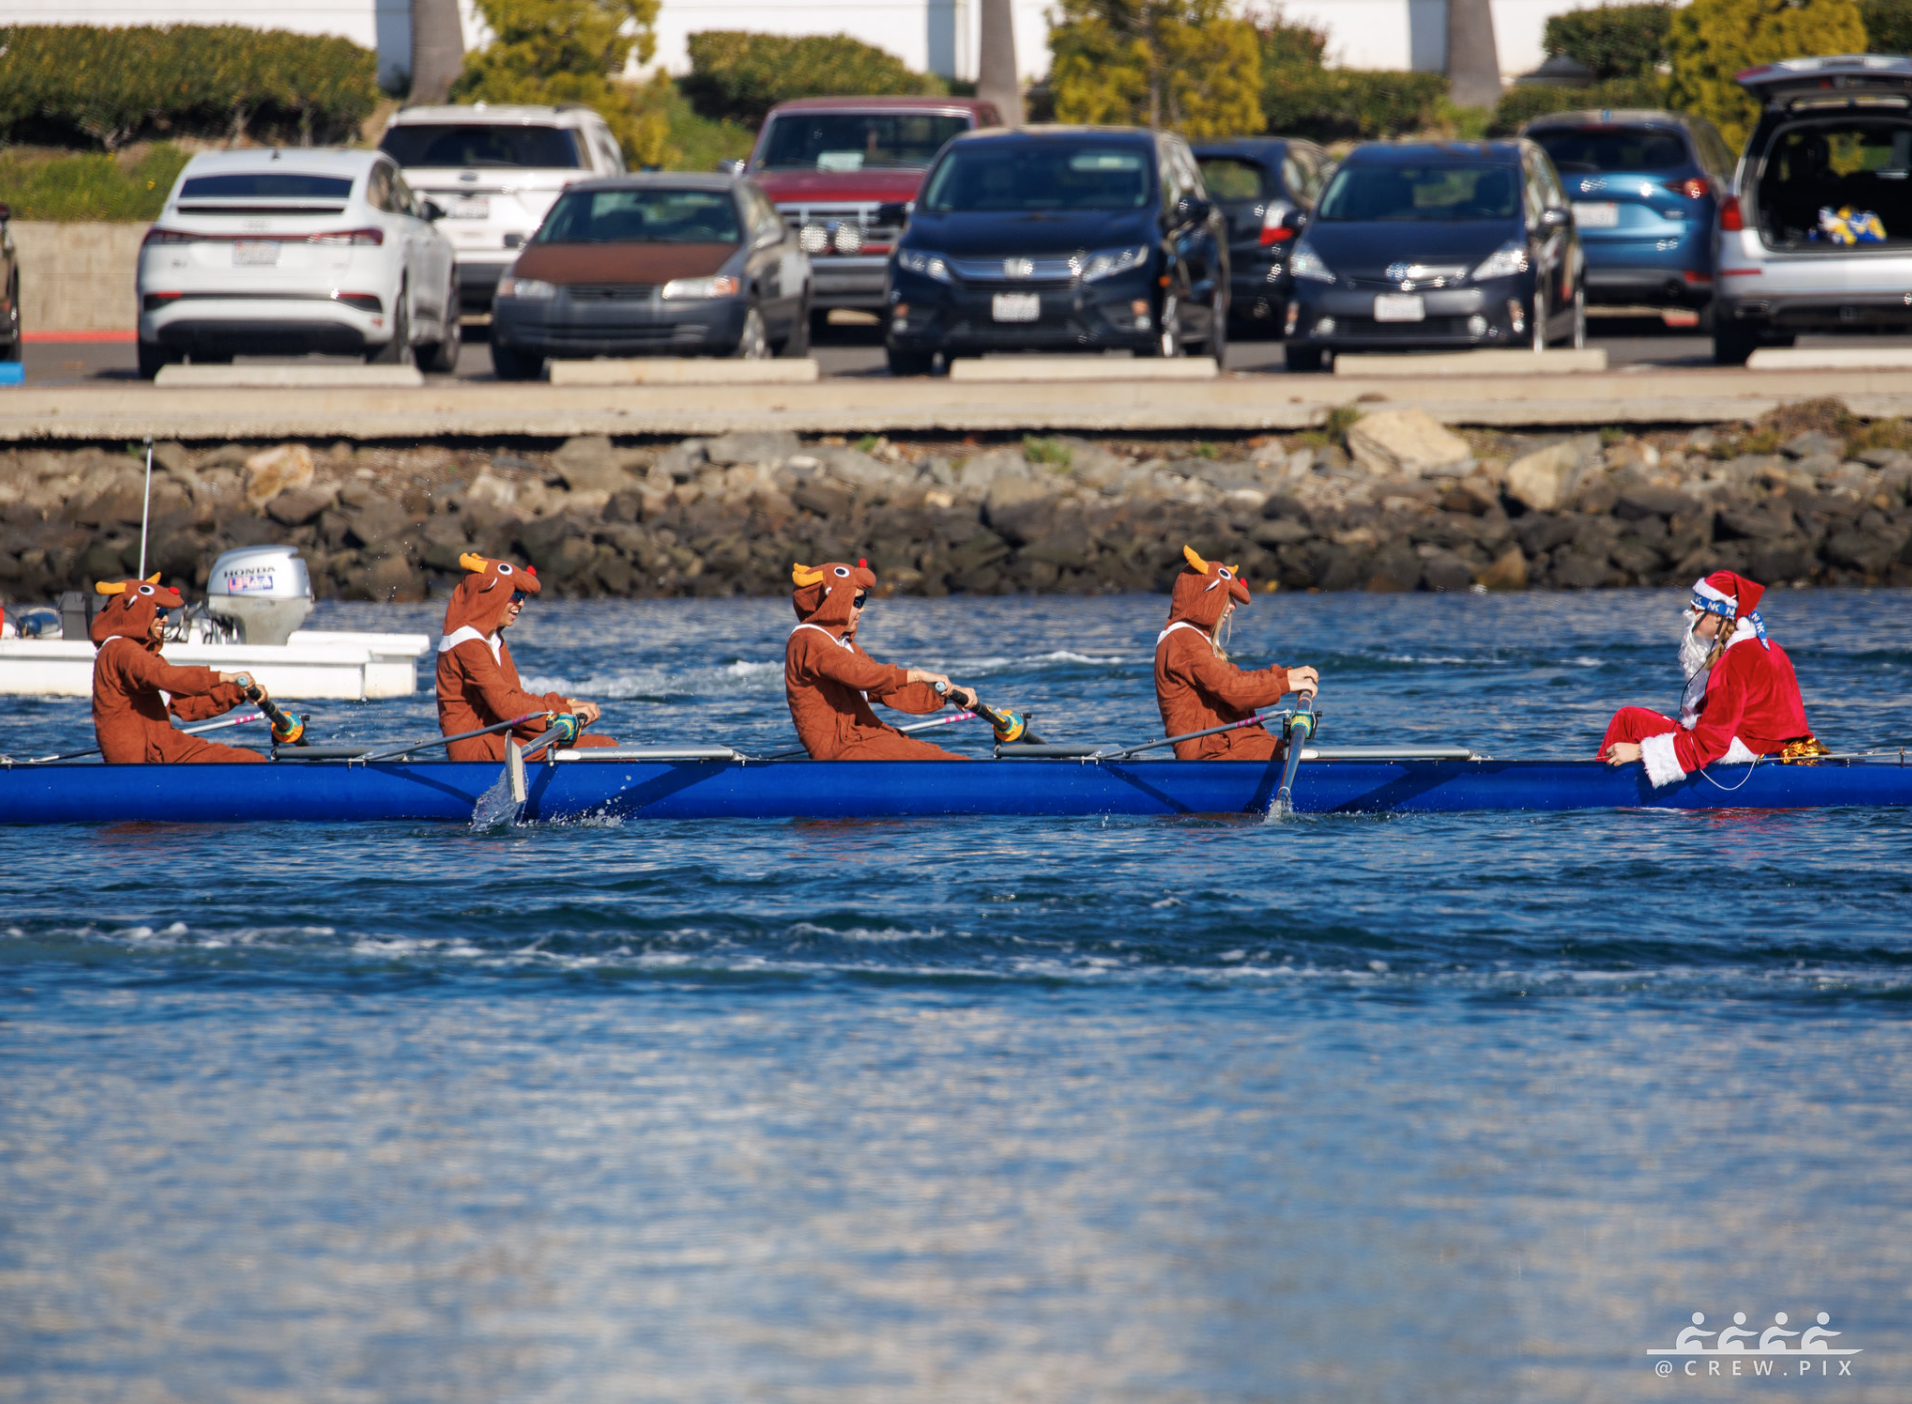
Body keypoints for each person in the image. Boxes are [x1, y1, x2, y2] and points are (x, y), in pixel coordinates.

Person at [1601, 571, 1823, 788]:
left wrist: (1640, 751)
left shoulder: (1734, 660)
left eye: (1697, 606)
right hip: (1771, 746)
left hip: (1749, 754)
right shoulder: (1769, 647)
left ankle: (1598, 783)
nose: (1690, 611)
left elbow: (1713, 742)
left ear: (1718, 616)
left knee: (1627, 722)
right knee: (1631, 719)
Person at [784, 560, 978, 759]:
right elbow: (863, 675)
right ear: (834, 600)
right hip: (841, 749)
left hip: (863, 737)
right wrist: (919, 675)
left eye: (864, 600)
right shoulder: (808, 639)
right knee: (938, 760)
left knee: (935, 753)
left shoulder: (841, 644)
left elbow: (884, 688)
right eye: (857, 602)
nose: (863, 609)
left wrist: (947, 692)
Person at [436, 552, 616, 761]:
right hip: (478, 753)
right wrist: (560, 713)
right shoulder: (467, 643)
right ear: (491, 594)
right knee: (604, 747)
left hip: (499, 740)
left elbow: (516, 697)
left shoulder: (491, 640)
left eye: (523, 597)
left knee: (599, 744)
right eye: (516, 595)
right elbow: (506, 706)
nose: (521, 604)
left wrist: (568, 703)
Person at [1155, 546, 1318, 760]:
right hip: (1215, 754)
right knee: (1316, 764)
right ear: (1205, 595)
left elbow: (1236, 678)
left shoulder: (1192, 639)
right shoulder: (1184, 641)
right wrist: (1285, 686)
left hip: (1232, 744)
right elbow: (1233, 691)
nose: (1232, 607)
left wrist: (1285, 676)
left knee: (1313, 758)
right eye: (1227, 598)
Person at [90, 574, 267, 764]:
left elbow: (187, 705)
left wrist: (237, 691)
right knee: (250, 761)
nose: (165, 619)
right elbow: (163, 676)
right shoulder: (120, 650)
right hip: (142, 760)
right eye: (158, 613)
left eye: (165, 612)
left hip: (161, 750)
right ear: (135, 610)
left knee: (249, 759)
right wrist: (224, 677)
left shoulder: (146, 657)